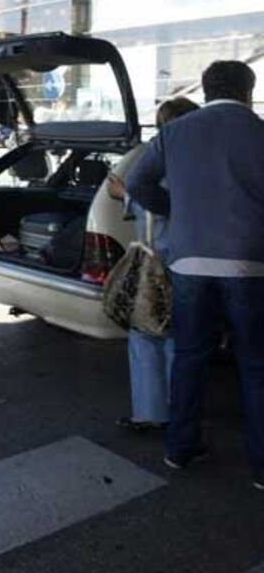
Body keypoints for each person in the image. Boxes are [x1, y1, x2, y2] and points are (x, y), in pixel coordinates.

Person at [126, 61, 264, 489]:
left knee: (190, 356)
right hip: (249, 263)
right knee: (255, 364)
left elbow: (136, 183)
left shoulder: (174, 133)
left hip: (187, 263)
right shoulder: (259, 131)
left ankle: (180, 449)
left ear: (205, 91)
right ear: (247, 92)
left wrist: (177, 210)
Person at [108, 97, 198, 432]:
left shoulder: (158, 161)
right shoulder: (196, 161)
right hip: (184, 262)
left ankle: (151, 413)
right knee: (177, 337)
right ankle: (179, 411)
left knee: (145, 336)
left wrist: (124, 194)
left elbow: (153, 207)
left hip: (153, 262)